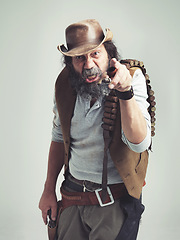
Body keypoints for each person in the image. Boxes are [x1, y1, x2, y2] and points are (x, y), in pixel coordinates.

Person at [39, 19, 151, 240]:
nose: (88, 64)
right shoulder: (65, 83)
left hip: (114, 200)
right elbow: (59, 138)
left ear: (108, 53)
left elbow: (140, 143)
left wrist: (125, 92)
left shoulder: (131, 78)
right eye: (79, 58)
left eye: (95, 54)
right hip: (72, 196)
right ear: (70, 62)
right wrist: (48, 189)